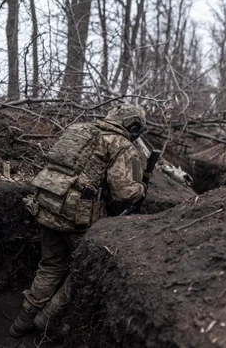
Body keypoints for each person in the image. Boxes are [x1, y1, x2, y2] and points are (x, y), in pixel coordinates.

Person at [9, 104, 149, 339]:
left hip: (46, 206)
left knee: (50, 265)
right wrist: (142, 188)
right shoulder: (121, 145)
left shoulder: (78, 130)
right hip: (77, 217)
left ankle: (22, 321)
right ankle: (49, 317)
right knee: (83, 270)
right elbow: (123, 192)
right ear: (133, 127)